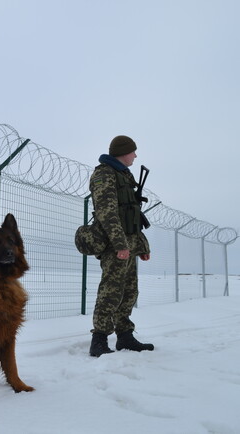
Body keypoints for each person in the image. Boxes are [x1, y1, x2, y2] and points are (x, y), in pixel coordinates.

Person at [88, 135, 154, 358]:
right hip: (116, 243)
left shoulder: (124, 174)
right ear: (123, 152)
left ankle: (125, 336)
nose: (135, 156)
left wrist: (141, 245)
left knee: (129, 291)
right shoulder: (104, 174)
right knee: (111, 291)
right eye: (133, 152)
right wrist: (119, 244)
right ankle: (99, 339)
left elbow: (133, 213)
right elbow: (107, 213)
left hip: (130, 242)